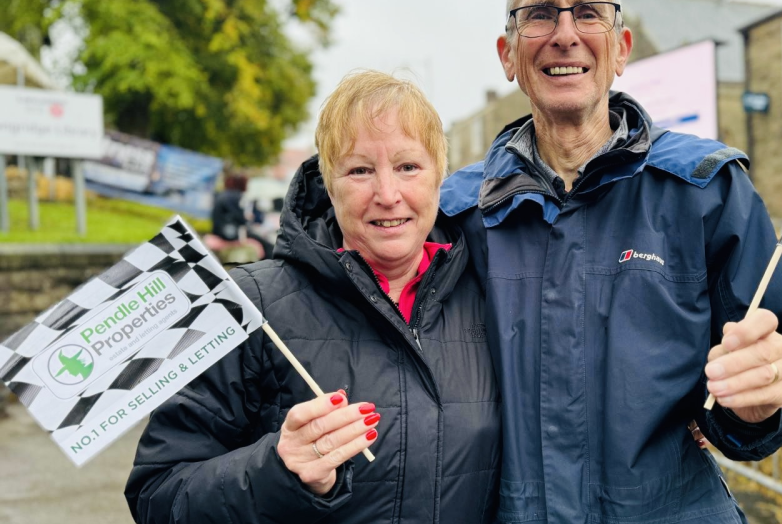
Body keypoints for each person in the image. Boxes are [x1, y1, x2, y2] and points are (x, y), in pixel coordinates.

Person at [439, 2, 782, 523]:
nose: (565, 34)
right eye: (540, 14)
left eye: (588, 12)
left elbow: (767, 375)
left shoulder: (707, 190)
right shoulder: (454, 215)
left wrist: (758, 407)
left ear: (621, 50)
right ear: (508, 56)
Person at [126, 71, 501, 523]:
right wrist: (278, 470)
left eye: (408, 167)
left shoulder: (490, 293)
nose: (387, 194)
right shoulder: (248, 303)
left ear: (438, 176)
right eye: (360, 170)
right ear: (329, 182)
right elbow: (158, 495)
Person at [209, 171, 275, 259]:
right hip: (230, 234)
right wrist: (249, 219)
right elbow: (241, 218)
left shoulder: (222, 194)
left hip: (219, 231)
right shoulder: (237, 196)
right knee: (268, 246)